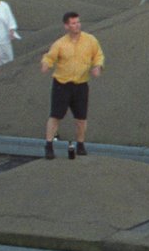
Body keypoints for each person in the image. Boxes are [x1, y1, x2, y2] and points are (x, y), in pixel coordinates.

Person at [40, 12, 104, 159]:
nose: (77, 25)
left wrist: (98, 66)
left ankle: (80, 144)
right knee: (56, 116)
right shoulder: (60, 44)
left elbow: (98, 55)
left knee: (81, 118)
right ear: (66, 26)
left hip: (81, 84)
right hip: (62, 85)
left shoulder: (90, 40)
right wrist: (46, 64)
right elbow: (49, 57)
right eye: (73, 23)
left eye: (78, 22)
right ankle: (49, 145)